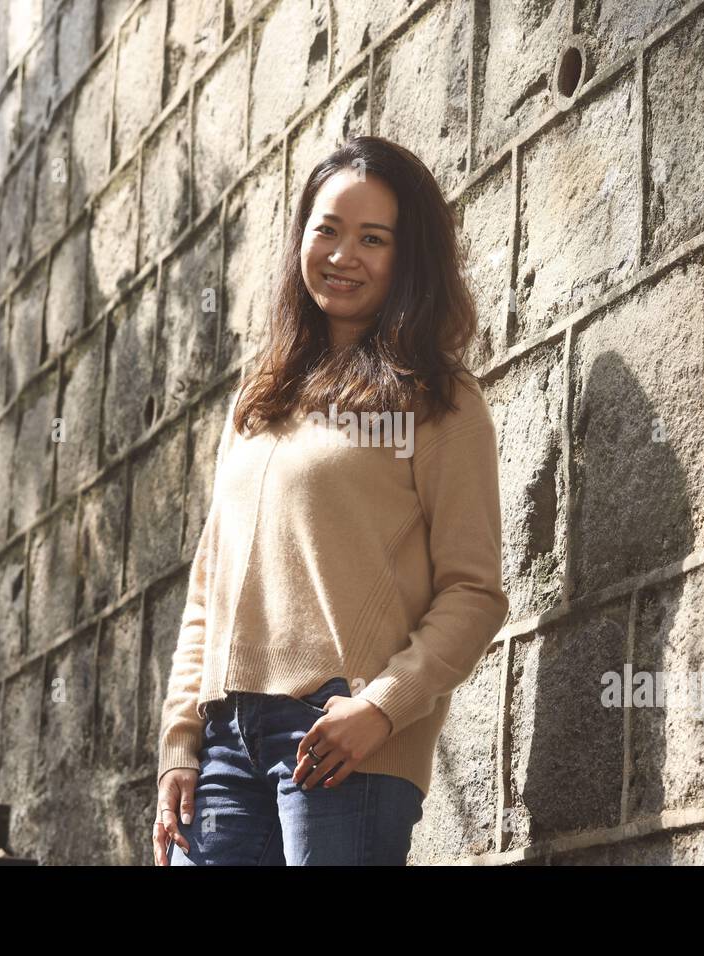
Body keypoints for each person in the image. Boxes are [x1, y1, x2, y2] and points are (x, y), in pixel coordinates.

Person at [152, 135, 509, 866]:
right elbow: (206, 591)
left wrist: (382, 707)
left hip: (342, 744)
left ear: (408, 259)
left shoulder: (437, 401)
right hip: (224, 747)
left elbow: (474, 593)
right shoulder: (259, 399)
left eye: (373, 239)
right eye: (328, 229)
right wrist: (180, 742)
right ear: (301, 239)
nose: (344, 254)